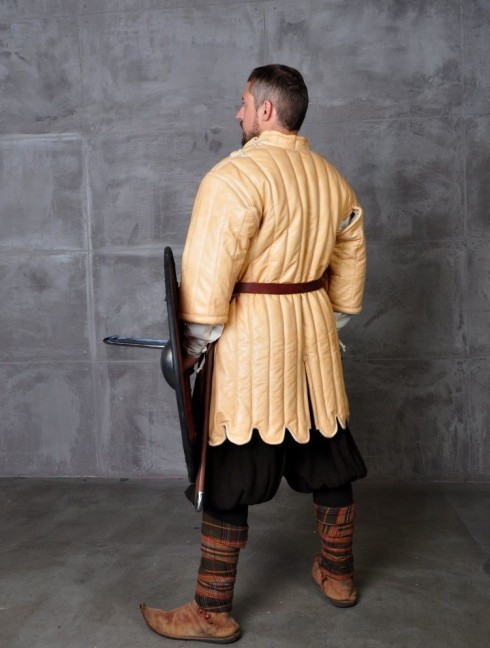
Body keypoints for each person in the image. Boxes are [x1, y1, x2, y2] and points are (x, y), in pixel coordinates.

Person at [140, 64, 367, 644]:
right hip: (313, 340)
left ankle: (211, 611)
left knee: (230, 470)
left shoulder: (234, 176)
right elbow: (349, 267)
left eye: (244, 103)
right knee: (327, 457)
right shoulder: (332, 179)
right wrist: (327, 318)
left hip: (251, 347)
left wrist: (191, 347)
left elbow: (209, 277)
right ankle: (339, 575)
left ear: (266, 110)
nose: (238, 112)